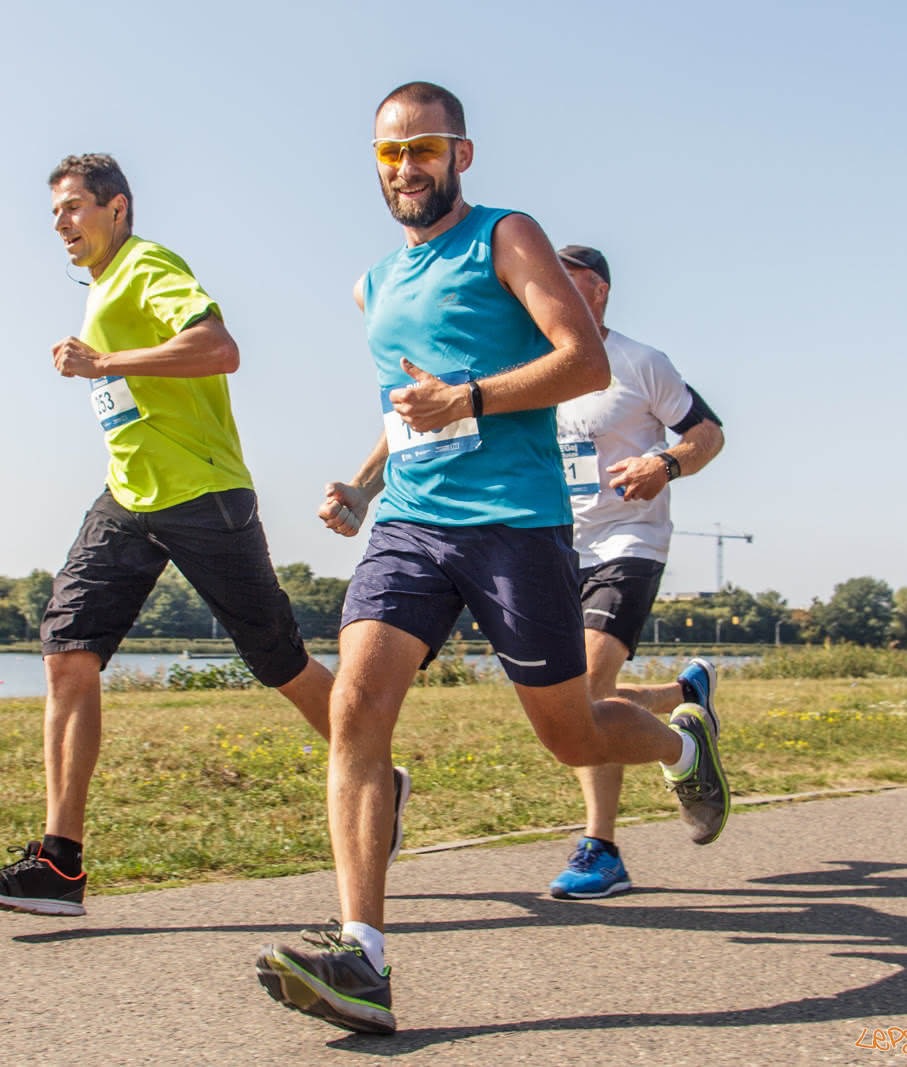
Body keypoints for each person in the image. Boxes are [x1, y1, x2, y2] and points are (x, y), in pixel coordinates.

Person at [254, 83, 729, 1035]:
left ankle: (683, 745)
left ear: (460, 154)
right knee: (355, 706)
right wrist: (363, 486)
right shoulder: (373, 284)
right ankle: (362, 955)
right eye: (388, 153)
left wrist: (469, 398)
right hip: (413, 525)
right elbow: (407, 409)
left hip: (515, 523)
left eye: (423, 148)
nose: (405, 168)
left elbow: (584, 361)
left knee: (573, 734)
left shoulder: (507, 236)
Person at [0, 154, 408, 918]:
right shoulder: (104, 285)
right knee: (68, 651)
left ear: (117, 208)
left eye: (74, 206)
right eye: (55, 211)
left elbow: (220, 348)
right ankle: (59, 863)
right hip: (128, 496)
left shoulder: (146, 265)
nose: (62, 223)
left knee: (279, 660)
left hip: (202, 494)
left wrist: (104, 360)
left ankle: (377, 776)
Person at [547, 245, 727, 900]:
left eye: (564, 277)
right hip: (557, 548)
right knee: (566, 703)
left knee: (587, 690)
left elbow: (708, 432)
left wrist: (666, 464)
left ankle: (602, 849)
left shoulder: (640, 362)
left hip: (629, 540)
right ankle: (682, 697)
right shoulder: (533, 367)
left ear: (597, 289)